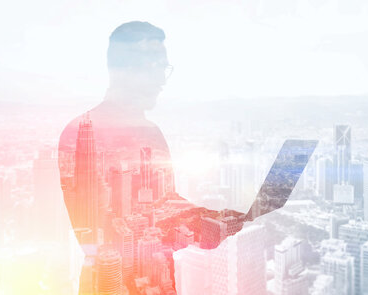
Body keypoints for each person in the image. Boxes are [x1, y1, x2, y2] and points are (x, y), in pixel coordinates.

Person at [58, 21, 247, 295]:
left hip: (161, 284)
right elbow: (89, 232)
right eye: (155, 67)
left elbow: (165, 200)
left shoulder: (153, 133)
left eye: (164, 68)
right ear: (121, 70)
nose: (162, 79)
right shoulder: (80, 133)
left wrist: (208, 220)